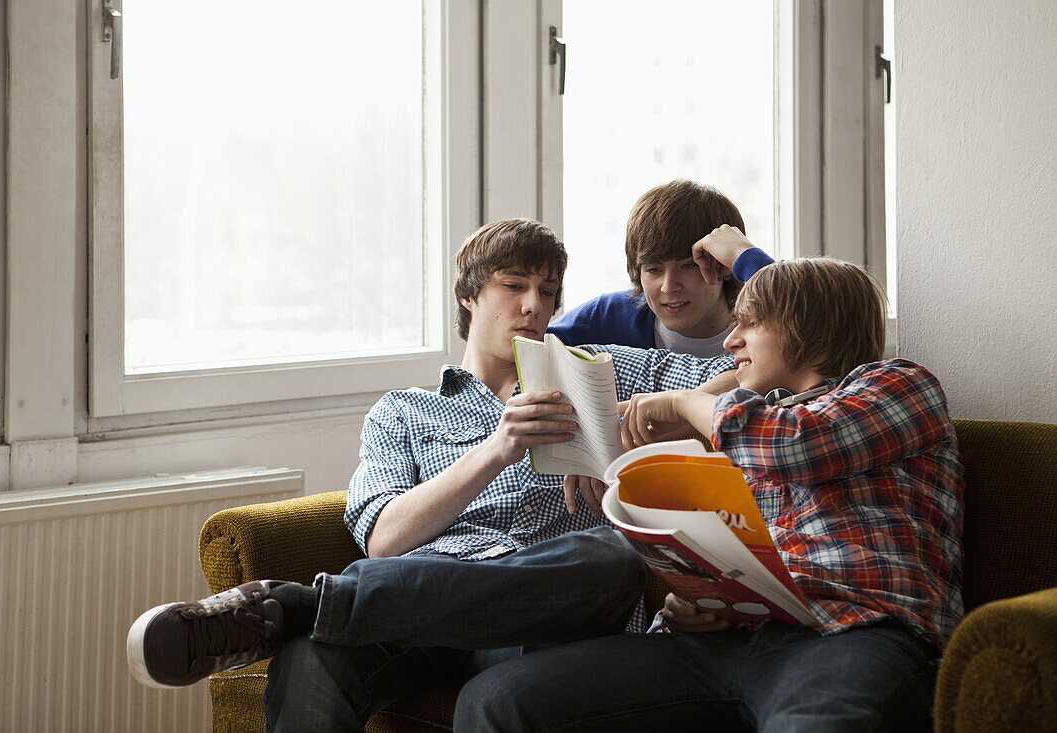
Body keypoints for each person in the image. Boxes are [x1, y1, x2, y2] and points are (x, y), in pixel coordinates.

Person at [126, 218, 746, 731]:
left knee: (608, 560)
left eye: (549, 290)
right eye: (514, 285)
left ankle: (295, 606)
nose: (535, 305)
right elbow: (384, 540)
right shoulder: (403, 410)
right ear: (470, 296)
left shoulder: (601, 373)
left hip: (545, 613)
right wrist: (499, 447)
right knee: (313, 652)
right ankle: (308, 618)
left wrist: (626, 414)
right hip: (420, 605)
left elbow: (751, 378)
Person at [453, 226, 964, 732]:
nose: (729, 339)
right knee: (499, 699)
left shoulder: (898, 385)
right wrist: (691, 602)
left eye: (750, 324)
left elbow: (797, 446)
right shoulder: (745, 424)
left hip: (852, 633)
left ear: (809, 328)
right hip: (721, 642)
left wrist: (681, 401)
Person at [547, 179, 774, 357]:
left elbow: (805, 310)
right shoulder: (608, 317)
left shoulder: (771, 322)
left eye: (687, 266)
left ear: (723, 265)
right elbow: (522, 354)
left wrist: (745, 256)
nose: (668, 287)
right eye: (654, 269)